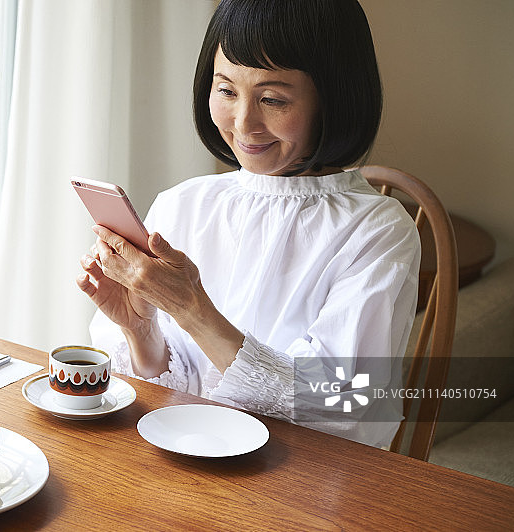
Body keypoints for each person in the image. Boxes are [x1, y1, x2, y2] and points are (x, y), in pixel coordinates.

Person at [76, 0, 419, 448]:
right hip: (182, 463)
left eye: (272, 99)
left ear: (333, 97)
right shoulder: (183, 203)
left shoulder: (378, 231)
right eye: (226, 90)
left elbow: (343, 407)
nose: (243, 123)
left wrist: (192, 310)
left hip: (304, 487)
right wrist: (141, 331)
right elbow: (169, 391)